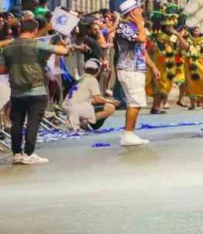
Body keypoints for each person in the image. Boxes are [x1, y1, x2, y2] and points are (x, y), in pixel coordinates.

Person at [1, 17, 69, 164]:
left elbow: (2, 70)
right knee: (33, 122)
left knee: (16, 122)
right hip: (36, 90)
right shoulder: (38, 45)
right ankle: (29, 153)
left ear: (20, 29)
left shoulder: (8, 47)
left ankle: (16, 154)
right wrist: (62, 42)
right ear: (35, 30)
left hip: (16, 92)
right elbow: (63, 51)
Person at [114, 0, 157, 147]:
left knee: (136, 102)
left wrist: (153, 67)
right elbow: (141, 39)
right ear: (133, 12)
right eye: (139, 9)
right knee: (135, 102)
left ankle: (129, 132)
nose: (141, 11)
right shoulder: (123, 27)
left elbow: (142, 51)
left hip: (137, 68)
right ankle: (128, 134)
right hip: (128, 68)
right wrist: (140, 24)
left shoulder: (135, 26)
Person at [63, 59, 117, 131]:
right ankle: (84, 122)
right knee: (110, 108)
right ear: (98, 70)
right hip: (77, 108)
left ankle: (78, 119)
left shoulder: (81, 78)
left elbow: (89, 99)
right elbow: (98, 99)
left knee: (94, 105)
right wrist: (112, 102)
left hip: (67, 106)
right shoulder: (92, 79)